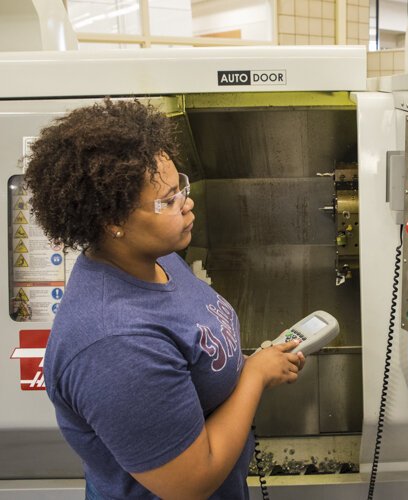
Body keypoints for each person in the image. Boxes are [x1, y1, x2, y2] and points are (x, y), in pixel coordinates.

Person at [25, 99, 305, 499]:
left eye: (181, 187)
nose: (187, 203)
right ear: (113, 221)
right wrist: (255, 375)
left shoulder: (157, 259)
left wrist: (244, 366)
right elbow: (190, 482)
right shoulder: (113, 345)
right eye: (168, 200)